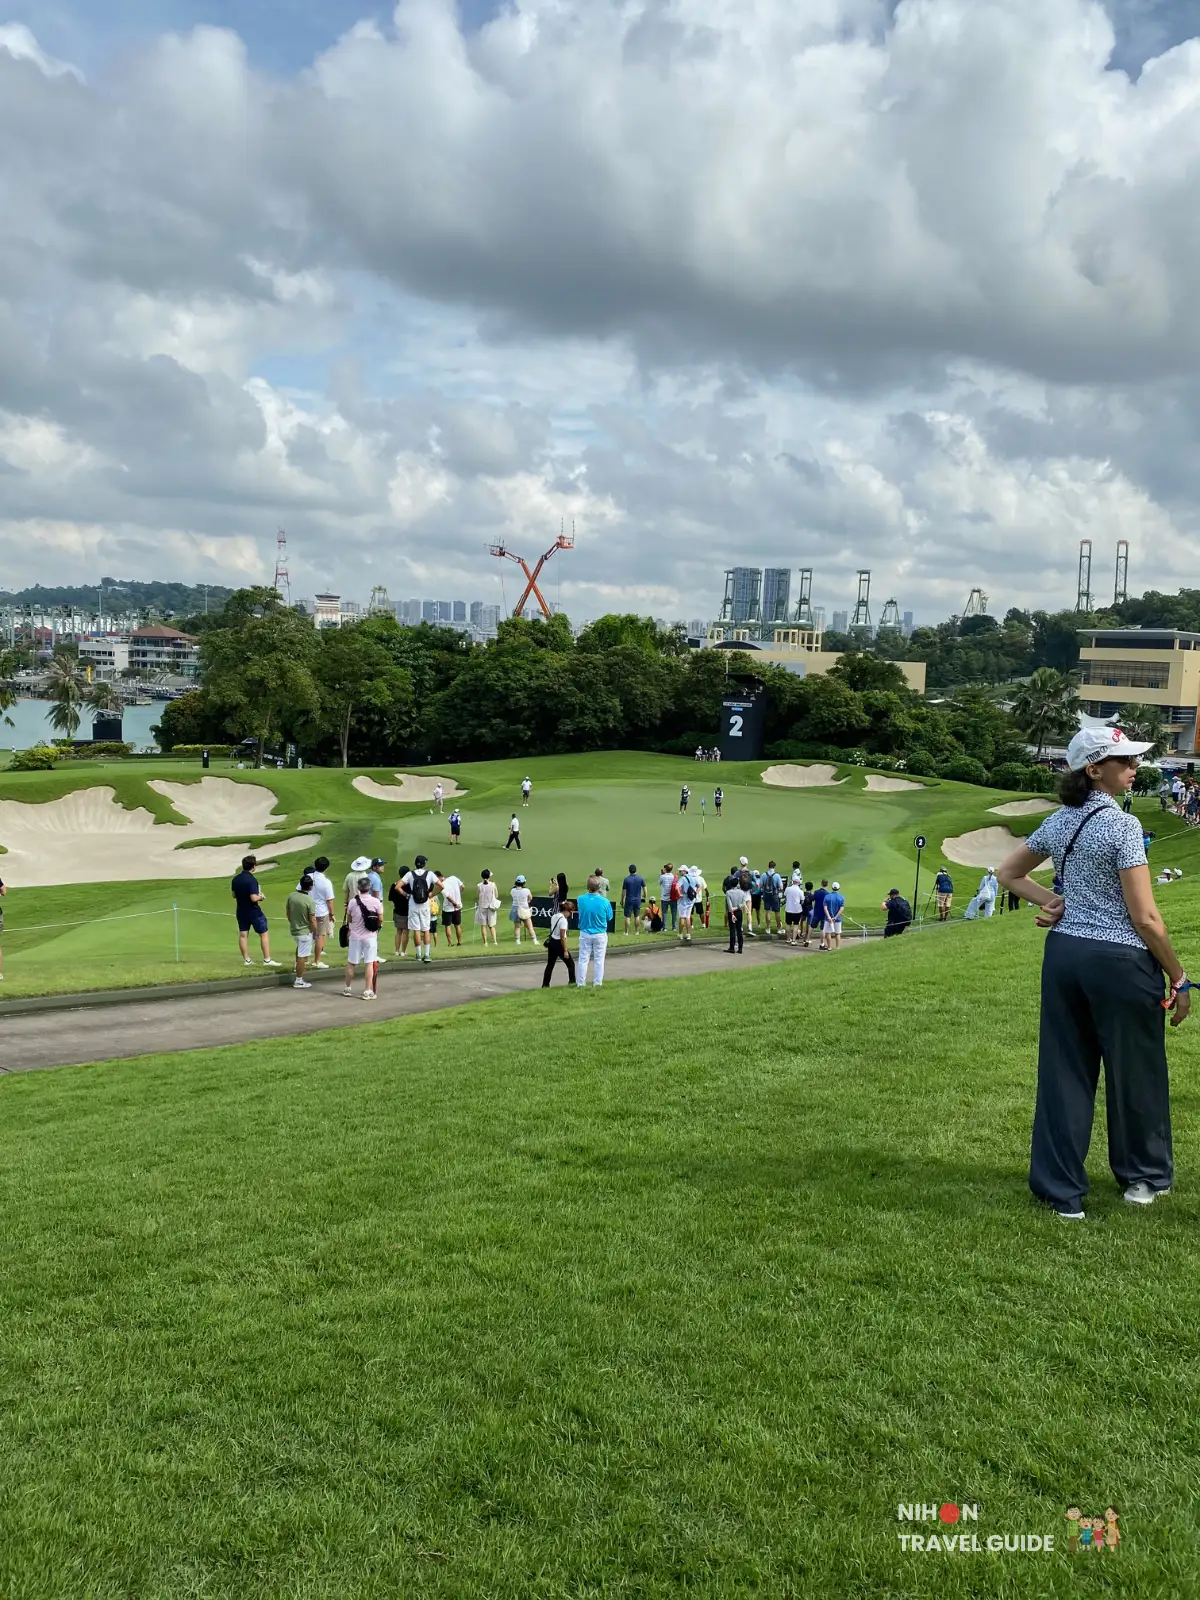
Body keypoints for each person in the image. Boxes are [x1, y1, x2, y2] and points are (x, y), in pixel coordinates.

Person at [996, 726, 1186, 1222]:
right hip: (1119, 961)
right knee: (1135, 1071)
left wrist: (1053, 902)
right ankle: (1143, 1178)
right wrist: (1179, 976)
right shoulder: (1122, 826)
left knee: (1065, 1071)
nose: (1134, 767)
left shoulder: (1062, 821)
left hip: (1064, 957)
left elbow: (1009, 873)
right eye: (1123, 760)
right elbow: (1145, 918)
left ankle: (1061, 1193)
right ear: (1093, 769)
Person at [231, 855, 280, 967]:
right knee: (264, 933)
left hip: (241, 910)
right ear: (253, 867)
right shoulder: (252, 880)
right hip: (253, 911)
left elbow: (234, 895)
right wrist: (261, 897)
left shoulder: (235, 879)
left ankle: (247, 960)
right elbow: (253, 898)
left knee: (243, 935)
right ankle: (267, 960)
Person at [342, 874, 382, 999]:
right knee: (369, 963)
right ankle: (367, 990)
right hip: (370, 936)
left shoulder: (353, 901)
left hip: (355, 936)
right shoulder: (375, 901)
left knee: (351, 963)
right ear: (369, 888)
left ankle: (347, 988)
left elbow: (349, 918)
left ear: (359, 888)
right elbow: (380, 919)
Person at [576, 875, 614, 986]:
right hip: (600, 933)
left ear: (588, 887)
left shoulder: (580, 899)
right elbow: (609, 917)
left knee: (583, 959)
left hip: (585, 932)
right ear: (599, 887)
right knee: (599, 960)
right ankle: (597, 983)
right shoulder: (605, 901)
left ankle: (581, 983)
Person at [402, 855, 441, 963]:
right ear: (424, 864)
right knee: (426, 929)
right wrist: (432, 894)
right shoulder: (429, 874)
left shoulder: (410, 874)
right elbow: (441, 886)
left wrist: (406, 894)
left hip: (413, 904)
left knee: (416, 930)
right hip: (425, 905)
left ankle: (418, 954)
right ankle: (427, 954)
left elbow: (398, 886)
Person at [286, 874, 318, 987]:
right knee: (302, 956)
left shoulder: (291, 896)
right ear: (310, 887)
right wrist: (316, 932)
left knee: (300, 950)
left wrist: (294, 923)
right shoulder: (310, 901)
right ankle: (298, 980)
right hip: (304, 932)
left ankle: (297, 969)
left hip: (294, 930)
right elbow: (312, 919)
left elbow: (288, 913)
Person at [309, 855, 336, 969]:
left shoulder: (308, 876)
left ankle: (302, 960)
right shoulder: (326, 882)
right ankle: (317, 960)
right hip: (320, 912)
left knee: (306, 935)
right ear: (326, 868)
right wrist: (332, 914)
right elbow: (329, 901)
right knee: (320, 936)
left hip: (307, 910)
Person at [542, 898, 576, 986]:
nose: (570, 914)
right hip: (559, 944)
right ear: (567, 911)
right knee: (571, 964)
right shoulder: (563, 921)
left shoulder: (554, 916)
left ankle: (545, 984)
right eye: (570, 912)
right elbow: (562, 936)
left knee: (550, 965)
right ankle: (572, 982)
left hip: (552, 942)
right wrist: (565, 950)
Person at [389, 866, 411, 956]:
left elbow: (390, 898)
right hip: (408, 911)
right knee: (406, 931)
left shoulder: (395, 885)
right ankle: (403, 951)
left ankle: (397, 950)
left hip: (397, 910)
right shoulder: (410, 885)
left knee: (398, 931)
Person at [475, 868, 500, 946]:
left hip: (482, 906)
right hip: (491, 907)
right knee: (491, 925)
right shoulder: (493, 885)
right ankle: (495, 941)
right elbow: (496, 895)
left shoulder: (479, 885)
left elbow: (477, 896)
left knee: (483, 925)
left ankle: (485, 942)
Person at [724, 868, 746, 953]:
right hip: (739, 912)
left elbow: (729, 904)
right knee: (739, 929)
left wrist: (731, 910)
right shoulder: (742, 892)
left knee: (732, 930)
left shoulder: (728, 893)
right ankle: (740, 948)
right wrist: (737, 907)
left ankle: (732, 947)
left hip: (732, 912)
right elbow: (743, 903)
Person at [440, 868, 464, 946]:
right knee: (457, 925)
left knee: (447, 926)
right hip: (457, 907)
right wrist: (458, 894)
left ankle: (450, 943)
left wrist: (454, 903)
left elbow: (448, 897)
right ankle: (459, 942)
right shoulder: (454, 878)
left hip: (448, 908)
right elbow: (463, 886)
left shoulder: (442, 886)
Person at [510, 874, 537, 945]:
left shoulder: (512, 890)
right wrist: (527, 901)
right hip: (524, 909)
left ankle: (517, 941)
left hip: (515, 909)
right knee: (530, 927)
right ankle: (534, 940)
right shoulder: (526, 890)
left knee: (517, 927)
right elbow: (530, 898)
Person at [622, 863, 646, 935]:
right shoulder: (640, 878)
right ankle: (637, 931)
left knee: (627, 916)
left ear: (629, 870)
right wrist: (644, 896)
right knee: (637, 916)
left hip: (629, 899)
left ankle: (626, 932)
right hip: (637, 900)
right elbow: (644, 889)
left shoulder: (626, 879)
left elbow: (623, 892)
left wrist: (622, 900)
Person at [761, 860, 783, 937]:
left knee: (768, 911)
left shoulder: (764, 874)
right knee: (777, 911)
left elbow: (761, 885)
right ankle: (778, 928)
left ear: (768, 866)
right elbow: (781, 887)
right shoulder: (777, 875)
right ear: (774, 867)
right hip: (774, 895)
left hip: (766, 895)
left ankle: (768, 928)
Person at [823, 881, 845, 950]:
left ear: (832, 888)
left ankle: (829, 947)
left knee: (828, 933)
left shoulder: (827, 896)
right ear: (839, 888)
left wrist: (829, 917)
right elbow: (841, 909)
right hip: (837, 919)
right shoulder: (841, 897)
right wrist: (835, 917)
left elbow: (825, 908)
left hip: (828, 919)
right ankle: (837, 947)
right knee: (837, 933)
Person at [676, 866, 696, 943]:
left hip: (683, 900)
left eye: (680, 871)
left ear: (684, 871)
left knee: (682, 917)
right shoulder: (693, 878)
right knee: (687, 917)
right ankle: (688, 934)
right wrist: (696, 893)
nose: (679, 872)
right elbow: (698, 885)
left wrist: (679, 894)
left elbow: (676, 887)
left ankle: (680, 934)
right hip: (691, 900)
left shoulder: (682, 879)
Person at [784, 875, 805, 945]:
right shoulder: (800, 891)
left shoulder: (787, 889)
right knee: (796, 925)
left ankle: (788, 938)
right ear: (799, 882)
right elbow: (802, 900)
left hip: (788, 909)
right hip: (797, 910)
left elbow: (785, 895)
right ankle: (793, 940)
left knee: (788, 924)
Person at [659, 864, 678, 933]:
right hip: (673, 898)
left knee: (664, 913)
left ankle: (665, 928)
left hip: (664, 898)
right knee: (674, 913)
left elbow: (659, 883)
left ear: (665, 869)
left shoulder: (662, 877)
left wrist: (662, 874)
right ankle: (674, 927)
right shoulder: (674, 876)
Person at [801, 880, 815, 947]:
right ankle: (807, 938)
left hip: (803, 910)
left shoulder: (803, 893)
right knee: (809, 924)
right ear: (811, 888)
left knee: (802, 921)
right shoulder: (812, 895)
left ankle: (802, 933)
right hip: (810, 910)